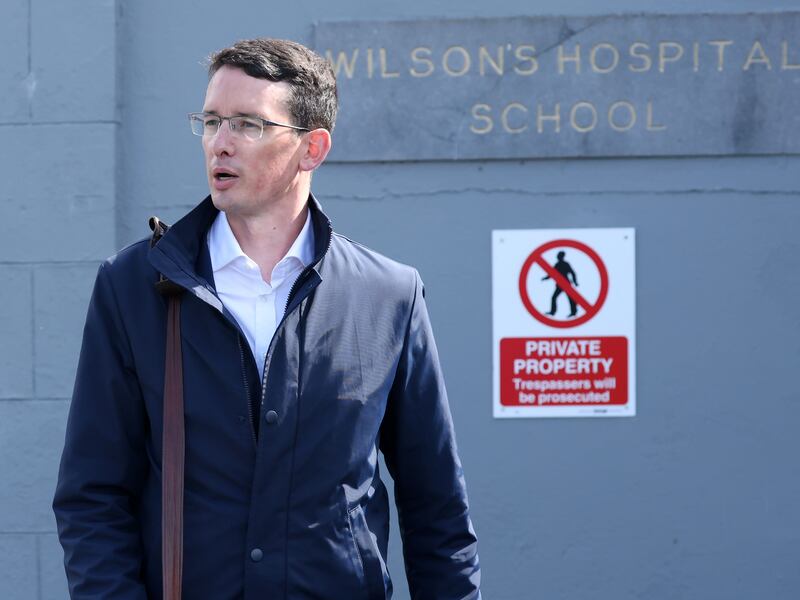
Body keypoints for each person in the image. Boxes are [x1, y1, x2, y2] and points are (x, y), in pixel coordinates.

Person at [53, 38, 480, 599]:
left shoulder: (388, 296)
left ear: (312, 148)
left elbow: (437, 510)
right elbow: (92, 496)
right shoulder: (133, 287)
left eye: (248, 125)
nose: (219, 144)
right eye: (210, 121)